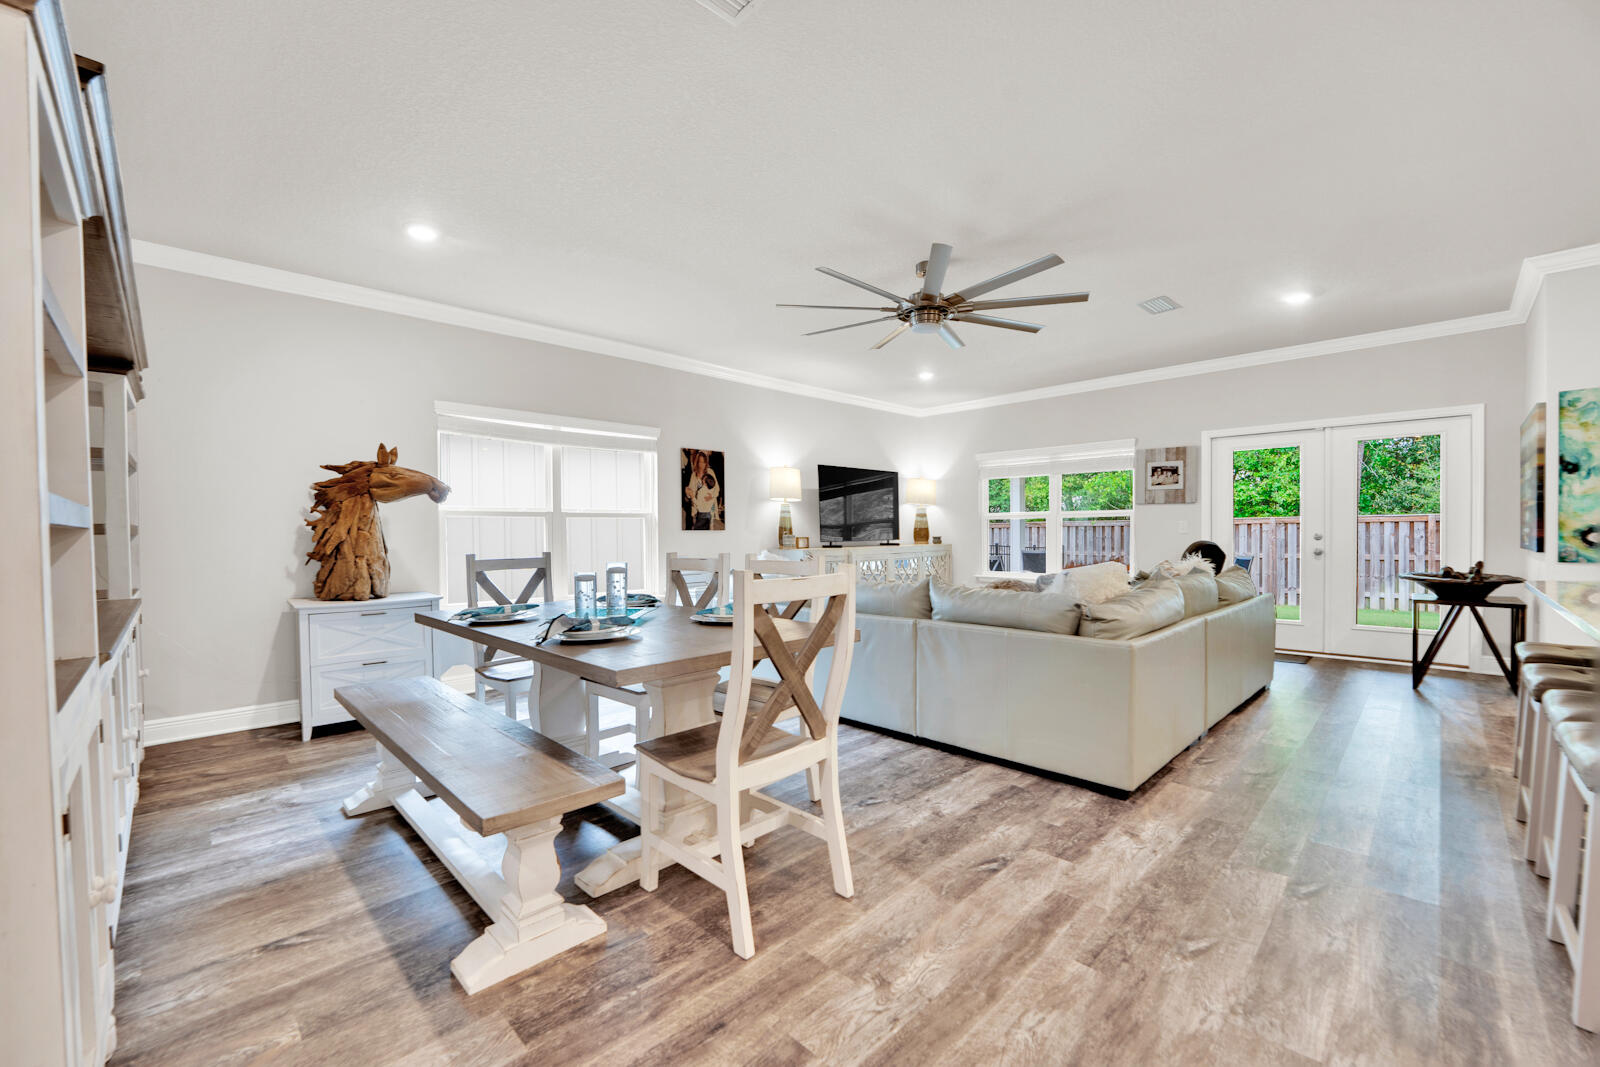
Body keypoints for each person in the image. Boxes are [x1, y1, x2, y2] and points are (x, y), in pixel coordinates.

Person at [685, 451, 721, 530]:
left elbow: (717, 488)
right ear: (697, 462)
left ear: (706, 462)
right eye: (700, 462)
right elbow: (690, 493)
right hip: (697, 509)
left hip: (710, 507)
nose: (702, 465)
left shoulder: (710, 472)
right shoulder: (694, 475)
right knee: (697, 529)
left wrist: (712, 496)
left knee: (710, 528)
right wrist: (688, 492)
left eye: (704, 462)